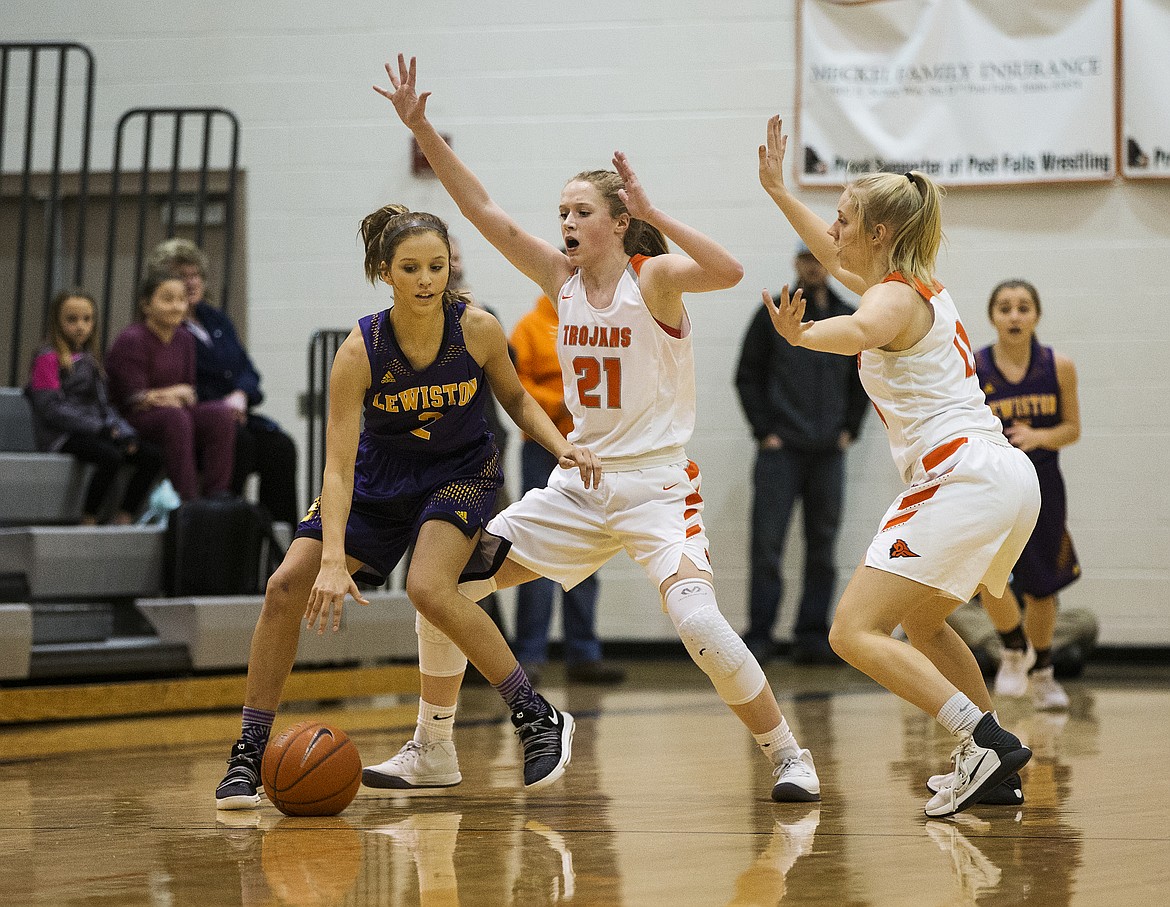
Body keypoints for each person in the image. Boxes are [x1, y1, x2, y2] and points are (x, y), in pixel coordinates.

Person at [365, 55, 821, 804]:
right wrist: (422, 129)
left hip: (655, 487)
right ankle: (434, 748)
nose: (567, 223)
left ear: (618, 223)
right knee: (441, 586)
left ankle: (787, 754)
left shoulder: (655, 279)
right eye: (563, 213)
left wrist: (655, 210)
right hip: (580, 481)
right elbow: (483, 211)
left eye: (581, 212)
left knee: (699, 624)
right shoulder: (560, 280)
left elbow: (732, 269)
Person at [214, 202, 600, 809]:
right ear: (385, 273)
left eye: (437, 267)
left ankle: (534, 714)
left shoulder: (477, 328)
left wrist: (562, 446)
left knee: (429, 586)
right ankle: (249, 752)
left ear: (450, 269)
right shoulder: (360, 349)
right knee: (285, 585)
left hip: (459, 473)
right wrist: (335, 559)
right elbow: (338, 468)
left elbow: (520, 403)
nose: (426, 279)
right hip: (377, 481)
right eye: (412, 268)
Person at [758, 115, 1040, 817]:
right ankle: (991, 761)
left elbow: (858, 328)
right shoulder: (916, 283)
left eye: (845, 218)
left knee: (850, 630)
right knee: (924, 622)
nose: (834, 228)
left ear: (878, 232)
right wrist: (777, 189)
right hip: (1002, 475)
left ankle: (983, 741)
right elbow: (834, 256)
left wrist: (804, 333)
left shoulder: (886, 299)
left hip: (960, 475)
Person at [735, 243, 868, 665]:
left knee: (822, 548)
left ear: (831, 265)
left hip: (828, 451)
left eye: (821, 259)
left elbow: (864, 375)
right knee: (767, 547)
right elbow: (748, 375)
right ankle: (760, 636)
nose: (814, 267)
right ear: (797, 264)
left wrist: (850, 429)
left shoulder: (851, 313)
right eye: (807, 259)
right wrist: (764, 431)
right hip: (781, 451)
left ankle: (812, 637)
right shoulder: (773, 314)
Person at [974, 279, 1081, 710]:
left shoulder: (1060, 366)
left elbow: (1072, 429)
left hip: (1043, 487)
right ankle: (1013, 648)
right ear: (993, 316)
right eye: (1005, 308)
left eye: (1023, 308)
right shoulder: (974, 366)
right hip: (991, 489)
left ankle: (1043, 673)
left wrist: (1038, 436)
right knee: (989, 577)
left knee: (1043, 588)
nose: (1014, 315)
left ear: (1036, 315)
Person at [510, 292, 625, 685]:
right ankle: (528, 655)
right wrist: (558, 403)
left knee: (586, 548)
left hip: (589, 450)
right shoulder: (528, 326)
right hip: (543, 449)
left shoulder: (600, 322)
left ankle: (584, 654)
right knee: (534, 550)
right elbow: (514, 386)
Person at [147, 239, 299, 525]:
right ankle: (227, 527)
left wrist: (241, 394)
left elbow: (247, 371)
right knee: (239, 442)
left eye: (195, 275)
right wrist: (221, 405)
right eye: (181, 276)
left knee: (281, 447)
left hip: (237, 411)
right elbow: (180, 383)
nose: (190, 282)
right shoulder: (168, 329)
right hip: (201, 420)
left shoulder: (216, 319)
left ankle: (284, 544)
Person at [25, 288, 163, 524]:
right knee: (110, 456)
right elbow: (49, 408)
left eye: (87, 319)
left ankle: (125, 516)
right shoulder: (46, 358)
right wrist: (99, 429)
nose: (80, 326)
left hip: (94, 429)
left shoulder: (91, 359)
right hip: (61, 435)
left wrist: (124, 433)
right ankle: (88, 518)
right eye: (72, 319)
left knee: (152, 456)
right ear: (57, 321)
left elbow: (104, 405)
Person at [106, 272, 237, 502]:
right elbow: (134, 398)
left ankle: (217, 496)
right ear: (146, 304)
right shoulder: (131, 339)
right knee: (176, 418)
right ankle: (186, 500)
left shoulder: (185, 338)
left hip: (174, 413)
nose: (177, 306)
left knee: (220, 414)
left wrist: (168, 395)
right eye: (167, 299)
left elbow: (189, 392)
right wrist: (172, 395)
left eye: (181, 299)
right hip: (133, 419)